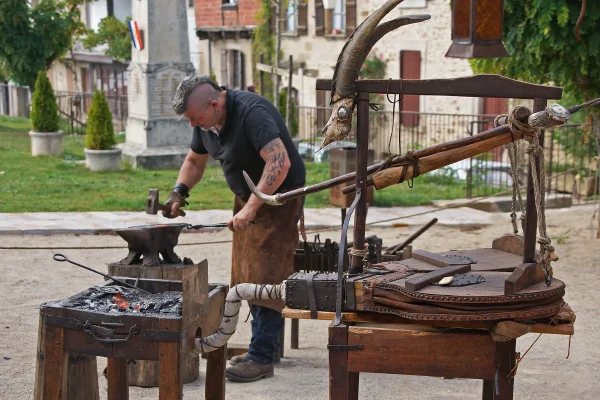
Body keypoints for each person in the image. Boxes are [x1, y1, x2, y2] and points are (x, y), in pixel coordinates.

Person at [165, 75, 306, 382]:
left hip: (280, 196)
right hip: (249, 196)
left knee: (265, 275)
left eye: (195, 117)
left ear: (215, 104)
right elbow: (194, 160)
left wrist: (252, 207)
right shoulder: (206, 124)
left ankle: (261, 357)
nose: (192, 125)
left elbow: (278, 163)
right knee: (246, 274)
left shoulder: (252, 113)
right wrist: (179, 191)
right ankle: (265, 347)